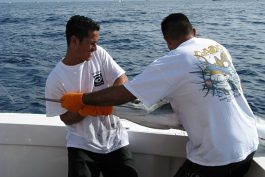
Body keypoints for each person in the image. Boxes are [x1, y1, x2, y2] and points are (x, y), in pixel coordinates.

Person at [60, 13, 259, 177]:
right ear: (194, 31)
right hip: (249, 144)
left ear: (167, 41)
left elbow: (125, 94)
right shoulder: (216, 46)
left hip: (217, 156)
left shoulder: (174, 59)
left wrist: (83, 99)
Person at [45, 15, 138, 177]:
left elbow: (122, 79)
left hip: (115, 140)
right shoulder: (55, 79)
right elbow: (66, 118)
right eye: (92, 43)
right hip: (82, 144)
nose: (95, 48)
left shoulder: (98, 54)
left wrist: (104, 102)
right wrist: (87, 109)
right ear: (74, 41)